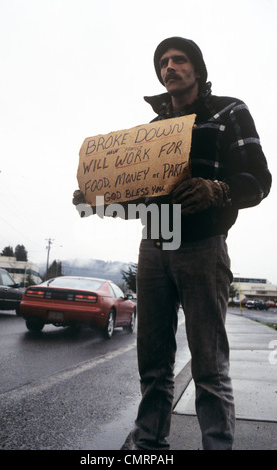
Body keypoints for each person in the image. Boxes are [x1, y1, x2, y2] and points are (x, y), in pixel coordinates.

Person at [73, 37, 271, 450]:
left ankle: (217, 444)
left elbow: (259, 179)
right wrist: (98, 198)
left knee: (209, 364)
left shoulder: (230, 111)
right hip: (155, 243)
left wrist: (217, 190)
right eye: (163, 63)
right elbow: (135, 199)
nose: (170, 67)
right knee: (153, 359)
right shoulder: (150, 134)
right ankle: (148, 446)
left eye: (179, 60)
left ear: (196, 69)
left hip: (203, 244)